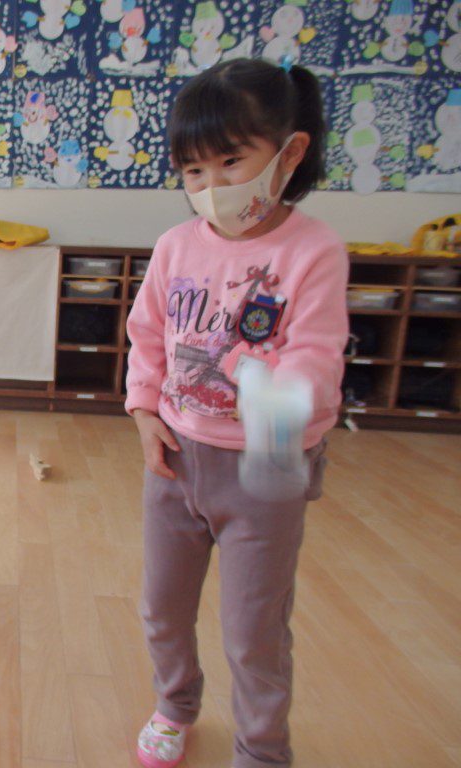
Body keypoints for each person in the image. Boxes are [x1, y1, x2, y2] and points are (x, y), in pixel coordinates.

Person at [125, 57, 348, 768]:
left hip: (263, 469)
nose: (213, 188)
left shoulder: (313, 250)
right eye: (194, 171)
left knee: (254, 630)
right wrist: (144, 410)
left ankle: (262, 749)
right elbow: (148, 335)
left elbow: (316, 352)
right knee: (162, 608)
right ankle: (175, 705)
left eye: (231, 162)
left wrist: (274, 401)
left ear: (289, 153)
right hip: (176, 460)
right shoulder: (175, 247)